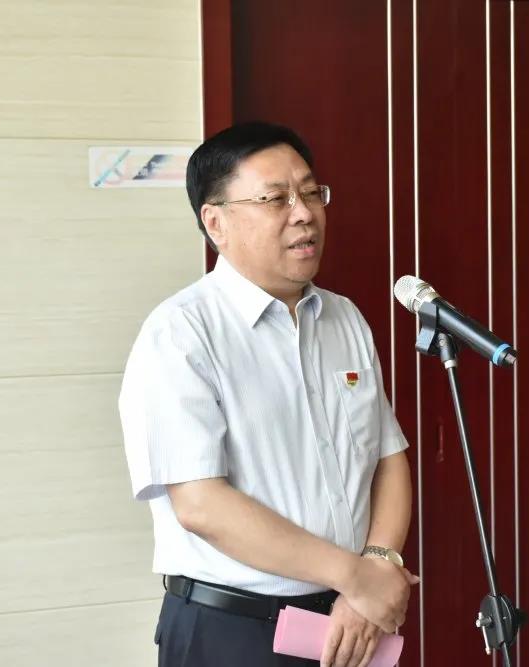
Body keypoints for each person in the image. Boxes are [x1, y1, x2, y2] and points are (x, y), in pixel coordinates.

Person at [119, 121, 417, 667]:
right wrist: (356, 577)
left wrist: (376, 565)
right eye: (276, 199)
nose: (304, 214)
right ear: (216, 222)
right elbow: (202, 505)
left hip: (349, 622)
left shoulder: (344, 318)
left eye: (311, 193)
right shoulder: (181, 333)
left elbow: (387, 456)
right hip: (232, 630)